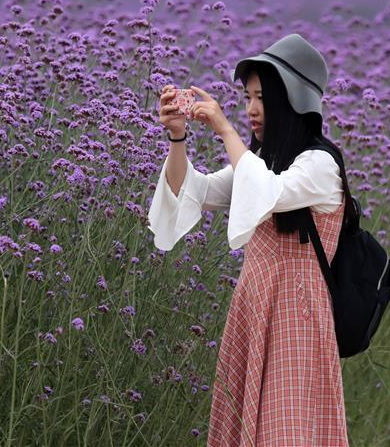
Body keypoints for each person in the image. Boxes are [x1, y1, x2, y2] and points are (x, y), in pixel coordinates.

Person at [148, 33, 351, 446]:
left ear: (291, 99)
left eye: (262, 98)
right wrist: (177, 137)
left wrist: (224, 130)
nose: (251, 110)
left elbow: (268, 192)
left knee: (288, 431)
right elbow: (196, 192)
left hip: (297, 316)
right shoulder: (260, 163)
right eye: (246, 98)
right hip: (254, 311)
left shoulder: (320, 165)